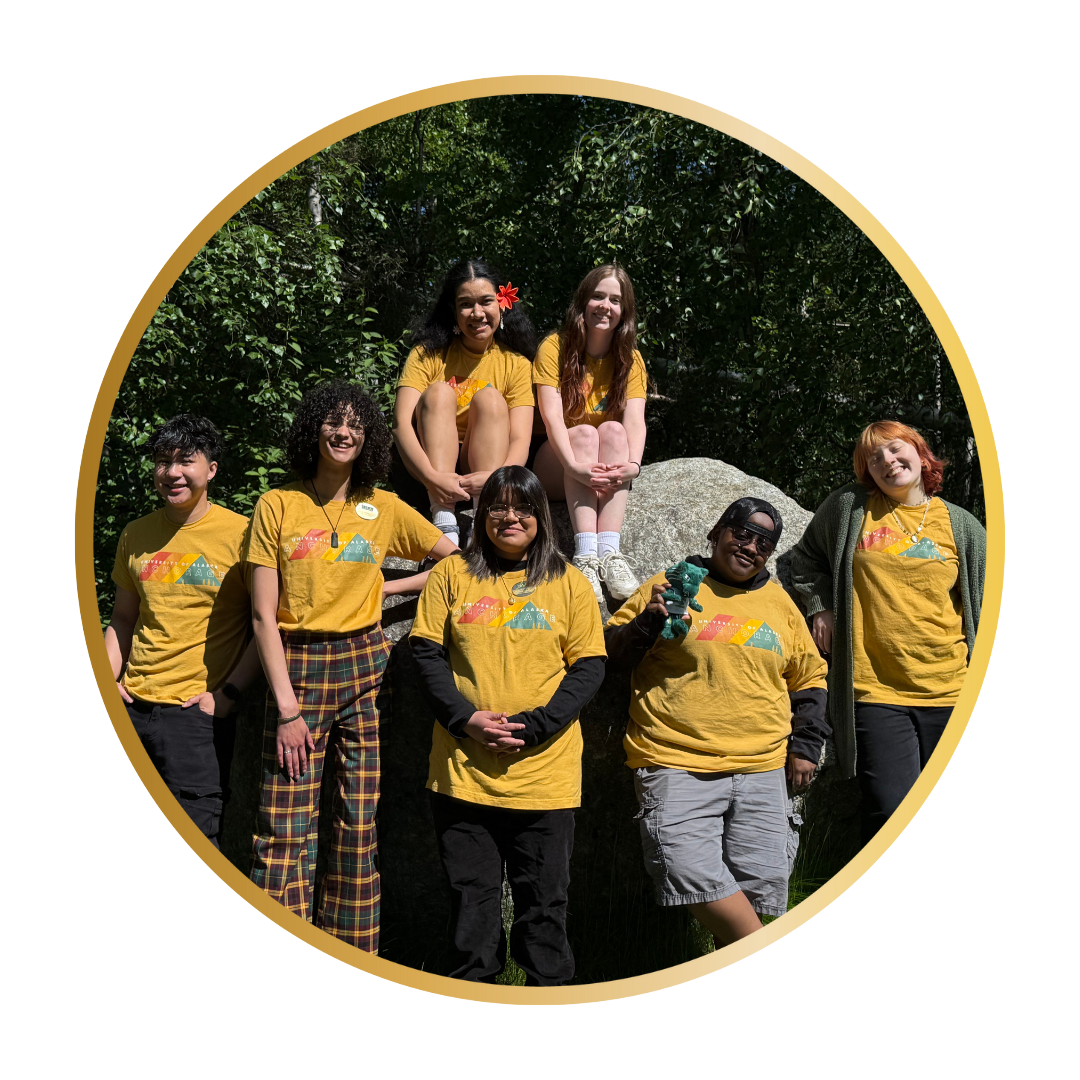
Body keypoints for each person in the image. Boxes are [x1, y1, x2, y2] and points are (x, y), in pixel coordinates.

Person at [247, 378, 458, 952]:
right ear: (313, 429)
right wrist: (287, 709)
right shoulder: (278, 505)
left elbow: (452, 559)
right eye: (333, 422)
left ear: (369, 440)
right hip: (299, 670)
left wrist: (387, 588)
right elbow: (264, 617)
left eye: (356, 426)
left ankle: (353, 950)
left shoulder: (384, 507)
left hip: (368, 666)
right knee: (284, 826)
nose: (344, 433)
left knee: (357, 824)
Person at [410, 466, 606, 984]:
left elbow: (589, 667)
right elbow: (426, 654)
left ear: (541, 516)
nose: (509, 517)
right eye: (497, 506)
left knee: (544, 913)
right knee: (470, 911)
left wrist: (534, 727)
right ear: (483, 516)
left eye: (522, 508)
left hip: (545, 779)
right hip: (461, 774)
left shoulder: (569, 582)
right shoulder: (454, 575)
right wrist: (464, 719)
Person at [605, 498, 829, 947]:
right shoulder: (670, 584)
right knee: (687, 871)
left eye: (764, 543)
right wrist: (649, 620)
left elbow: (810, 678)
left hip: (764, 769)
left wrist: (805, 746)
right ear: (717, 532)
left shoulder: (781, 604)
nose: (750, 547)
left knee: (754, 892)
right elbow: (611, 654)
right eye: (742, 533)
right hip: (674, 760)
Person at [789, 421, 985, 842]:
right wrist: (820, 605)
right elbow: (805, 558)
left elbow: (985, 607)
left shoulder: (964, 526)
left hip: (953, 688)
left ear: (920, 452)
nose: (887, 462)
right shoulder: (850, 508)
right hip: (876, 691)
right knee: (890, 811)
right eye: (873, 459)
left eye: (895, 450)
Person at [105, 414, 261, 849]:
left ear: (210, 470)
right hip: (131, 703)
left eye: (184, 461)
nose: (171, 472)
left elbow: (265, 624)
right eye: (162, 461)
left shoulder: (244, 535)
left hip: (196, 716)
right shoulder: (136, 534)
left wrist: (227, 695)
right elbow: (122, 619)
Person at [393, 258, 537, 550]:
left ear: (502, 303)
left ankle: (485, 517)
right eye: (465, 304)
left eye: (486, 301)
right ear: (453, 311)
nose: (477, 313)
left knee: (490, 399)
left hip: (488, 478)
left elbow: (521, 438)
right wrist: (434, 479)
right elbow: (400, 426)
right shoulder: (427, 354)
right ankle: (444, 520)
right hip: (424, 475)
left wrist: (495, 480)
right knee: (439, 393)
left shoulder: (518, 364)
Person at [532, 265, 648, 604]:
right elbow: (552, 417)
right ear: (583, 302)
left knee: (612, 430)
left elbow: (635, 422)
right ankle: (585, 555)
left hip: (602, 464)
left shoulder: (631, 359)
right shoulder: (555, 346)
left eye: (615, 300)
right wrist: (572, 465)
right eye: (598, 296)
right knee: (582, 433)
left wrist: (634, 466)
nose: (605, 306)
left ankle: (609, 553)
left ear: (623, 311)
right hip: (556, 463)